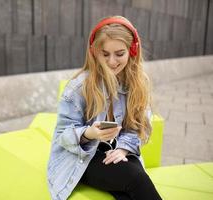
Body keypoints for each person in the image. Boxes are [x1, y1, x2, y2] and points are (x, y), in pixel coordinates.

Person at [47, 16, 162, 200]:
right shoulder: (78, 87)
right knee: (136, 179)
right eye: (105, 54)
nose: (112, 61)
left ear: (132, 51)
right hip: (81, 157)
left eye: (119, 53)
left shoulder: (138, 83)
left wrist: (123, 149)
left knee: (128, 192)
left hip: (117, 150)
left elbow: (138, 127)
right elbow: (62, 137)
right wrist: (90, 134)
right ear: (94, 52)